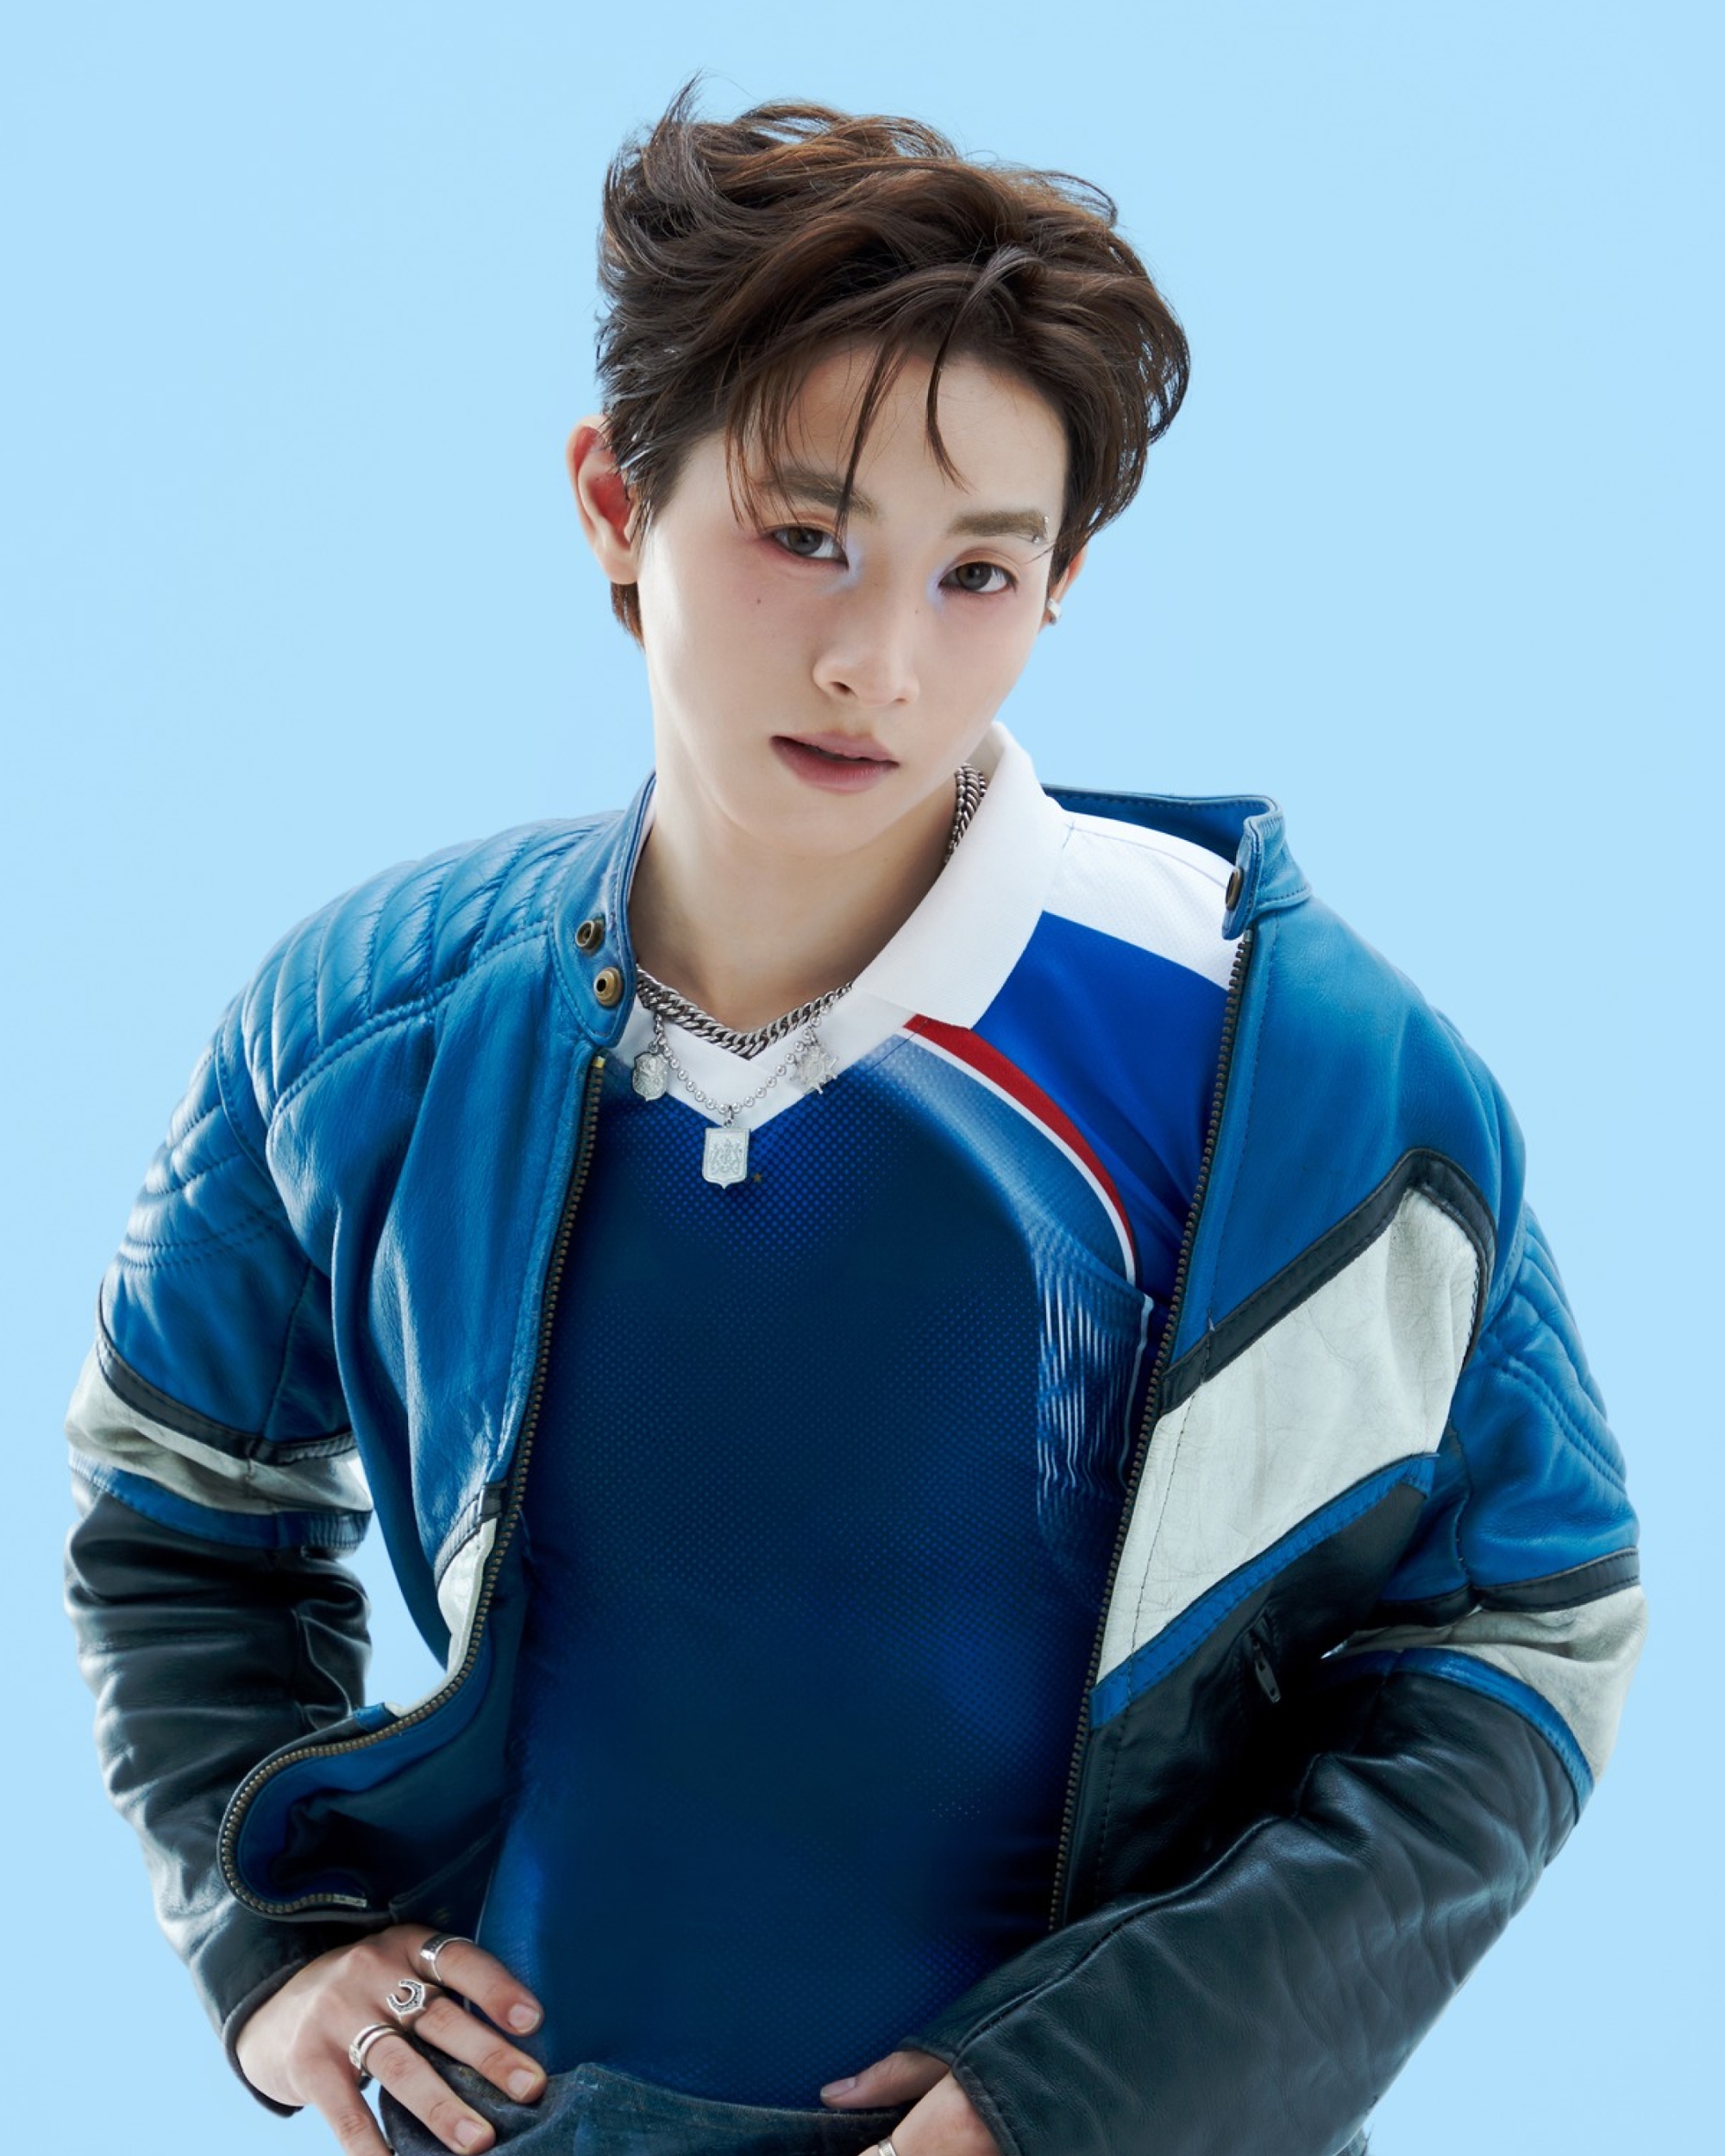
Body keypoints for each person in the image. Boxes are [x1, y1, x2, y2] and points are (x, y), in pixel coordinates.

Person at [65, 86, 1645, 2156]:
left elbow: (1523, 1628)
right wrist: (269, 1940)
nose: (876, 663)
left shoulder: (1278, 1060)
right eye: (804, 535)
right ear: (614, 501)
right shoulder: (367, 1027)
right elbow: (175, 1509)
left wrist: (1098, 2087)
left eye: (976, 571)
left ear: (1062, 583)